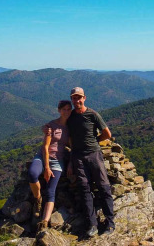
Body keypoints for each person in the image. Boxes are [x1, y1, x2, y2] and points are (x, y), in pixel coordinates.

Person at [46, 87, 115, 237]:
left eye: (79, 98)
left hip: (94, 155)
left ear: (84, 98)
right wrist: (47, 128)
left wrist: (94, 141)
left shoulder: (93, 114)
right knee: (84, 190)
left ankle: (110, 223)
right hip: (78, 157)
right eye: (74, 98)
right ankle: (93, 225)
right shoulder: (70, 118)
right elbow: (60, 127)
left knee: (103, 187)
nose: (77, 100)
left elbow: (107, 134)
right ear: (72, 100)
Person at [28, 100, 72, 232]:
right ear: (59, 110)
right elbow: (45, 147)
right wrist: (47, 168)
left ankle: (45, 222)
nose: (66, 112)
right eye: (64, 109)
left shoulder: (71, 128)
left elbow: (72, 146)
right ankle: (38, 199)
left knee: (51, 191)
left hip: (58, 161)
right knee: (32, 174)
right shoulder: (51, 126)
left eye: (69, 109)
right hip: (43, 157)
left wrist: (70, 163)